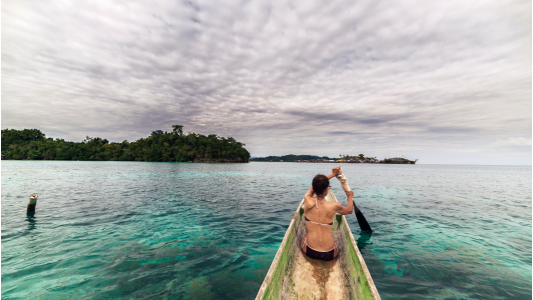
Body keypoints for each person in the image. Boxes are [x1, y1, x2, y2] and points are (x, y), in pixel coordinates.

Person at [300, 166, 354, 261]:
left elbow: (312, 188)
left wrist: (333, 174)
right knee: (335, 242)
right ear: (326, 189)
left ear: (314, 188)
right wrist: (350, 197)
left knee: (306, 234)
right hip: (330, 253)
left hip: (309, 251)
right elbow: (349, 210)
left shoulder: (307, 199)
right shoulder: (334, 206)